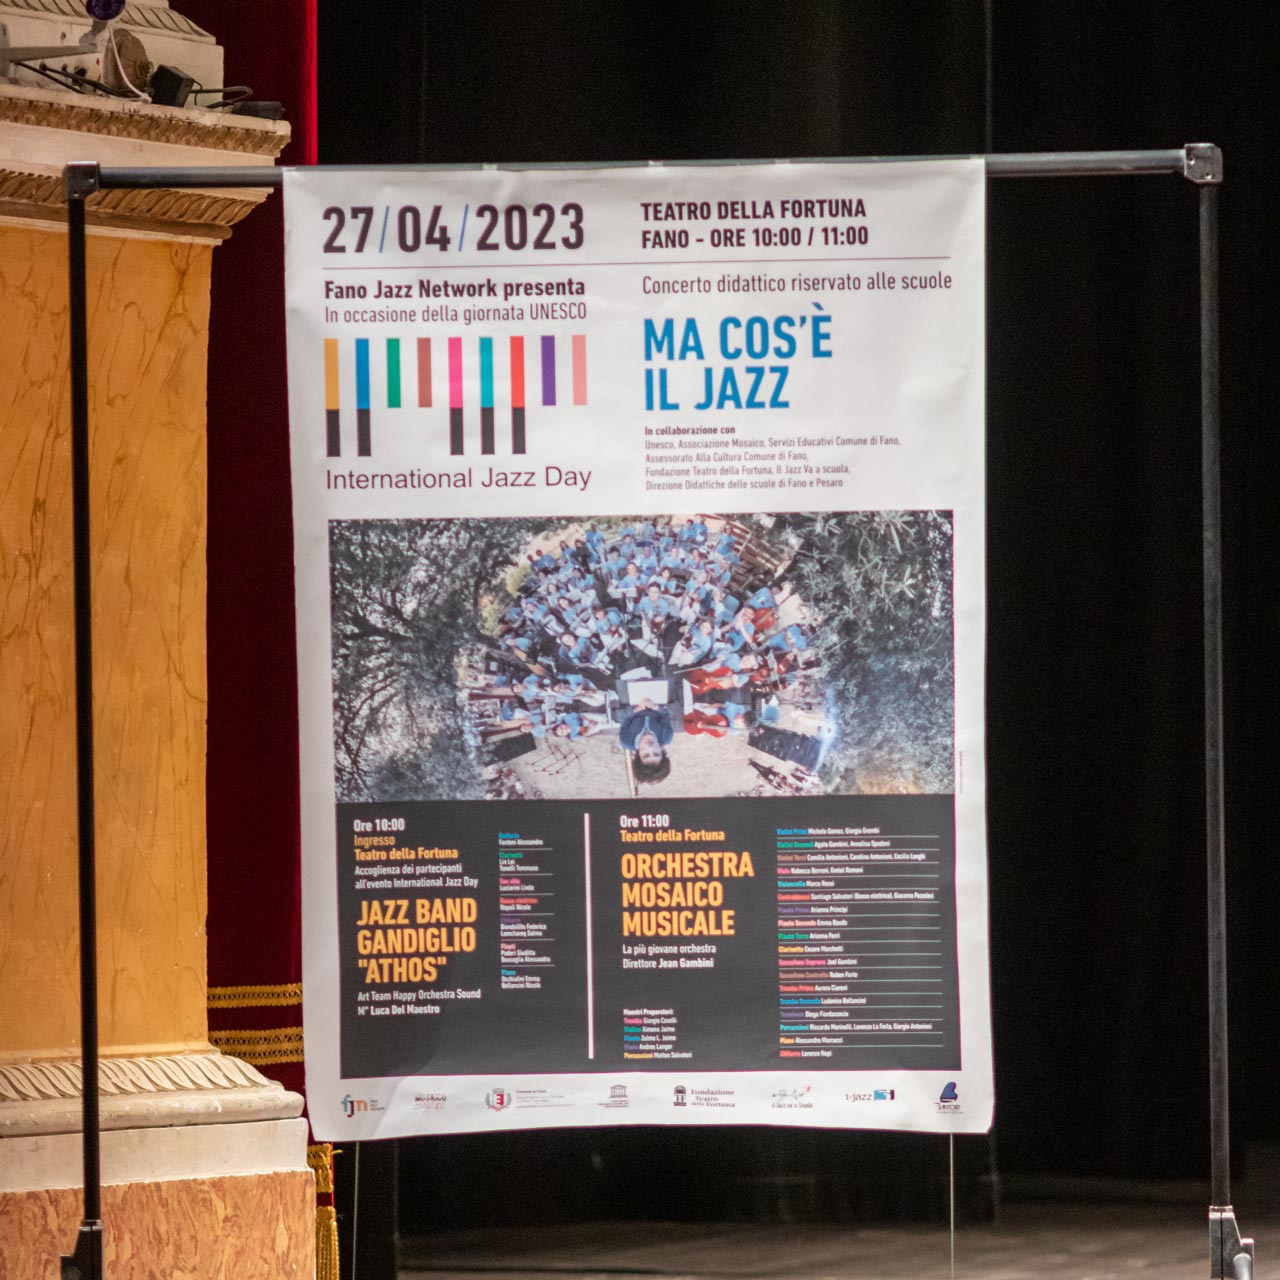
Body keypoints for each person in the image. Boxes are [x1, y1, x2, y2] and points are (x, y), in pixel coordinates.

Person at [618, 699, 673, 783]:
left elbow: (622, 718)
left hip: (632, 702)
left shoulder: (627, 740)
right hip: (656, 700)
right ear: (662, 751)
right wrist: (656, 707)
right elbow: (665, 715)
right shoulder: (666, 736)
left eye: (646, 755)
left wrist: (636, 709)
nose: (650, 748)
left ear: (638, 756)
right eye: (656, 753)